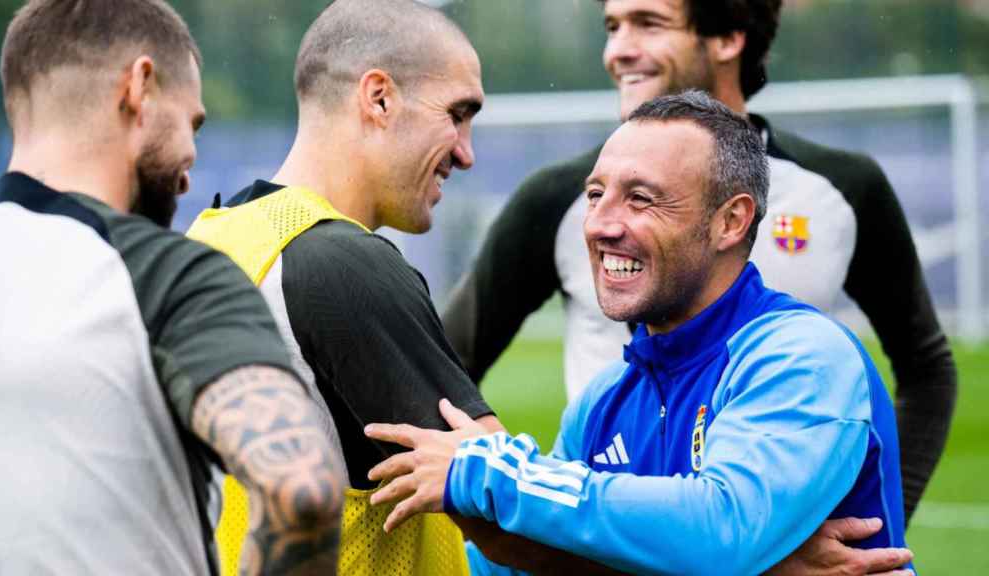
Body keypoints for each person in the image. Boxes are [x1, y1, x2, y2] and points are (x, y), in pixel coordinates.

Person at [442, 0, 956, 525]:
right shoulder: (559, 200)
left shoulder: (844, 190)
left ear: (730, 35)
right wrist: (496, 487)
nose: (618, 50)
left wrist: (881, 517)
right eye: (612, 27)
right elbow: (442, 361)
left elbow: (926, 368)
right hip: (609, 548)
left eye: (649, 23)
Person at [365, 91, 915, 576]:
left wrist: (498, 471)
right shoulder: (605, 401)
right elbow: (543, 562)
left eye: (641, 199)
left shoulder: (801, 357)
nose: (603, 224)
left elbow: (721, 530)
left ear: (731, 221)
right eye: (596, 194)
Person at [0, 1, 344, 574]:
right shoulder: (170, 274)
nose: (190, 165)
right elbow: (301, 490)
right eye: (191, 124)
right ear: (139, 87)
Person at [184, 1, 501, 574]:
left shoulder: (207, 241)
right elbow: (510, 510)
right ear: (378, 97)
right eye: (456, 114)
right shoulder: (339, 263)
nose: (466, 152)